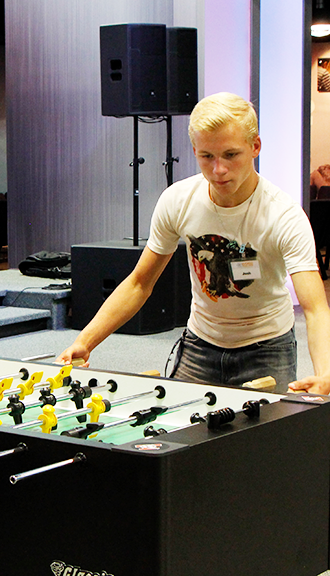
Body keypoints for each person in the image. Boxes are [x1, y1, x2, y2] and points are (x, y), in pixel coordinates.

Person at [58, 92, 330, 396]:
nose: (218, 170)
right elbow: (139, 284)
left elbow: (315, 309)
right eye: (207, 156)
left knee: (268, 428)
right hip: (201, 343)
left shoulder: (284, 214)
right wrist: (85, 341)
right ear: (194, 150)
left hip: (267, 347)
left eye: (231, 154)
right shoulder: (178, 200)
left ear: (255, 146)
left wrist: (326, 373)